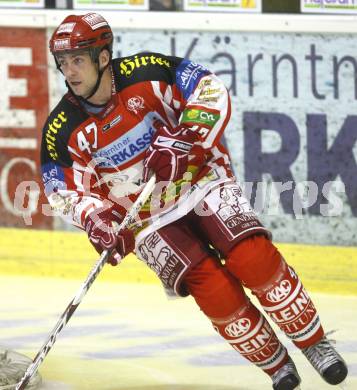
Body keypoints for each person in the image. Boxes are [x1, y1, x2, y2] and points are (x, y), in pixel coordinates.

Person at [41, 12, 348, 389]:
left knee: (250, 256)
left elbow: (208, 87)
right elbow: (61, 189)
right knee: (211, 287)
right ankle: (276, 365)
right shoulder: (61, 128)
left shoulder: (147, 71)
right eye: (63, 63)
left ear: (103, 57)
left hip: (199, 180)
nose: (69, 72)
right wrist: (96, 219)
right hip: (144, 219)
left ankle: (314, 343)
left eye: (78, 60)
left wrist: (187, 136)